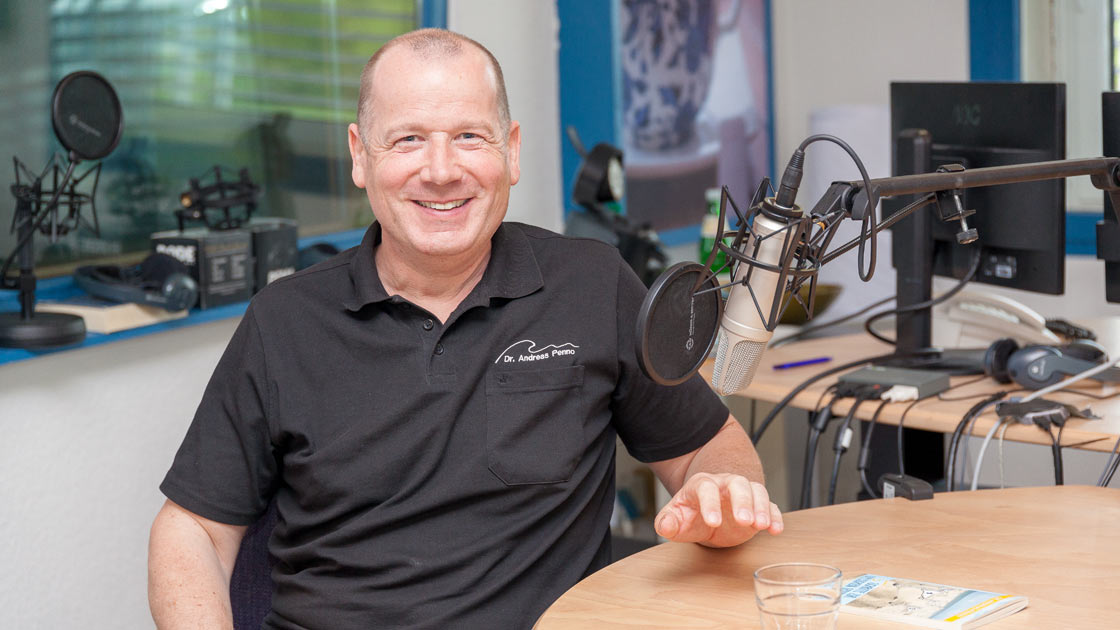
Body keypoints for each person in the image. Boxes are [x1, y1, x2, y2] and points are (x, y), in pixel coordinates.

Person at [148, 28, 783, 629]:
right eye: (406, 141)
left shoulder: (592, 284)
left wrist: (720, 491)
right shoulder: (283, 321)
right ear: (359, 156)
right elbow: (193, 528)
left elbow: (708, 446)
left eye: (470, 137)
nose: (442, 169)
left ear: (510, 151)